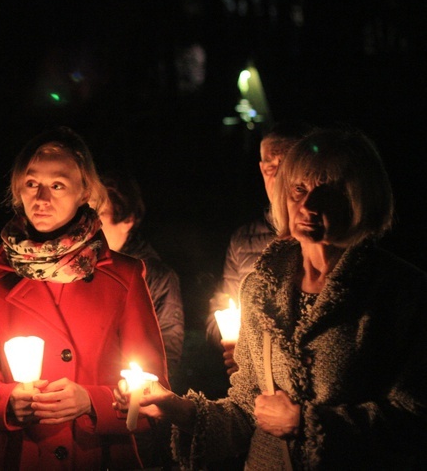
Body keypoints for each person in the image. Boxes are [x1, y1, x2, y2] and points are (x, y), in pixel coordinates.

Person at [118, 128, 427, 469]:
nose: (308, 205)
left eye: (328, 190)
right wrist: (175, 407)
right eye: (299, 188)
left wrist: (306, 424)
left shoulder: (399, 292)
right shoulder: (262, 288)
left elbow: (415, 416)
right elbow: (247, 411)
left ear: (361, 198)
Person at [0, 127, 170, 470]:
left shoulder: (123, 276)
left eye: (57, 185)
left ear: (84, 191)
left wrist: (91, 401)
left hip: (97, 455)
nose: (42, 198)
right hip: (20, 456)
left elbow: (155, 396)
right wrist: (9, 402)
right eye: (31, 184)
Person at [208, 121, 315, 376]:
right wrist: (231, 340)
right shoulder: (244, 239)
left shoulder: (321, 237)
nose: (277, 174)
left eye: (286, 164)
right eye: (270, 165)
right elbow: (223, 307)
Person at [99, 171, 185, 468]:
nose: (89, 225)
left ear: (127, 220)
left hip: (133, 421)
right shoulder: (80, 271)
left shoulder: (157, 277)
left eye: (99, 216)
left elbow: (166, 353)